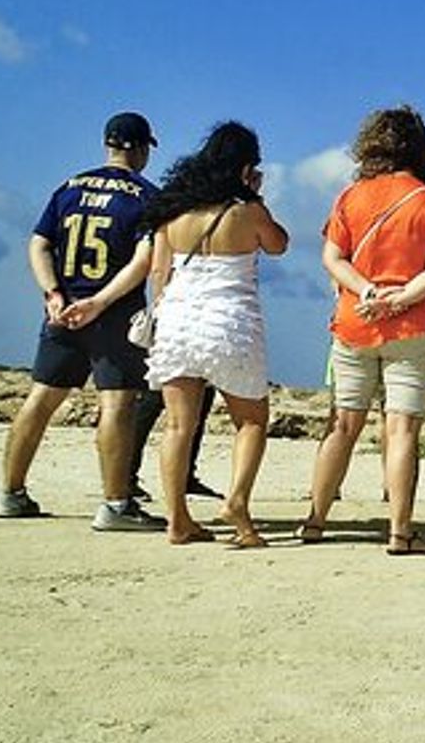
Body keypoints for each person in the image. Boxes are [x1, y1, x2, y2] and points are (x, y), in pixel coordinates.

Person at [0, 112, 166, 532]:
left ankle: (10, 492)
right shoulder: (146, 196)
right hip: (114, 315)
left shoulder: (68, 188)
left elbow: (38, 244)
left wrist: (53, 293)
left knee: (41, 399)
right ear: (142, 148)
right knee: (118, 403)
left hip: (63, 309)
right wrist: (102, 301)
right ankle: (115, 504)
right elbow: (145, 260)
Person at [304, 106, 425, 556]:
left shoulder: (350, 197)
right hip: (414, 326)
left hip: (355, 320)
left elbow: (333, 259)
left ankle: (315, 520)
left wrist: (368, 291)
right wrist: (400, 298)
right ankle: (399, 531)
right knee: (403, 430)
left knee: (342, 425)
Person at [141, 122, 289, 547]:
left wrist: (163, 313)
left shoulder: (173, 212)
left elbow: (158, 272)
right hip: (229, 322)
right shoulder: (247, 210)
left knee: (177, 426)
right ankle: (237, 503)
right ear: (245, 167)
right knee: (251, 421)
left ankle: (178, 520)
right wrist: (255, 194)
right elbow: (278, 244)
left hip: (177, 320)